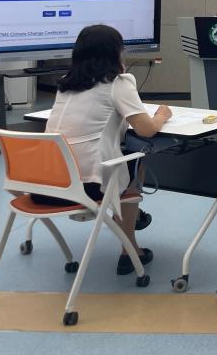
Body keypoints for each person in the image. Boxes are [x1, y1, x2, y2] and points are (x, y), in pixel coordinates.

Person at [41, 24, 171, 274]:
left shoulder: (65, 84)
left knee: (122, 159)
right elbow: (146, 130)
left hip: (46, 186)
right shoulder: (117, 83)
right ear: (115, 53)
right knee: (136, 161)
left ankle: (133, 216)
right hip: (87, 188)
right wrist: (162, 115)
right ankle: (130, 249)